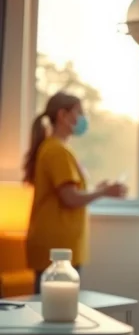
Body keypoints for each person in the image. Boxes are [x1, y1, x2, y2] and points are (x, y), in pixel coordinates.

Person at [23, 92, 127, 294]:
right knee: (56, 314)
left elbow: (69, 191)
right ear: (63, 115)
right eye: (79, 112)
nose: (83, 118)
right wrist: (104, 192)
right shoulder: (56, 151)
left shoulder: (59, 149)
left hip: (60, 247)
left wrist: (97, 190)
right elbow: (70, 198)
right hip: (56, 250)